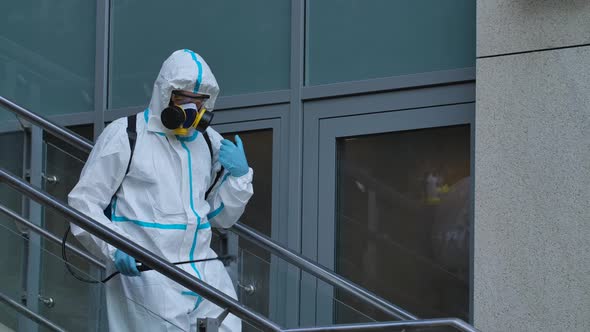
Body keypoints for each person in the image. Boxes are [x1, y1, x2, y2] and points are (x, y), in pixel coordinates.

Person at [68, 49, 252, 331]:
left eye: (199, 102)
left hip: (204, 267)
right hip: (149, 270)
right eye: (183, 100)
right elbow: (83, 203)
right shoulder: (126, 135)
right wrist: (115, 248)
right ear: (165, 95)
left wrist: (239, 178)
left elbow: (221, 218)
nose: (192, 110)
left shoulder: (207, 143)